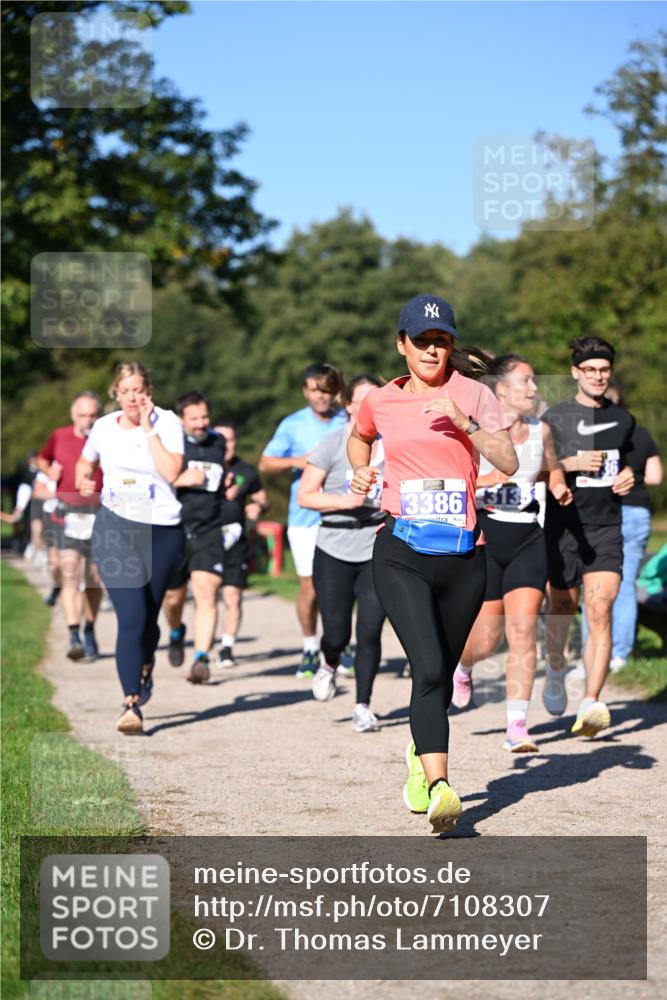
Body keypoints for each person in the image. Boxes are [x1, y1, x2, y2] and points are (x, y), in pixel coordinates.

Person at [348, 294, 518, 833]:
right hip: (401, 552)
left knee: (440, 674)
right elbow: (359, 438)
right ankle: (442, 788)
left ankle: (419, 757)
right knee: (426, 667)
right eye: (421, 341)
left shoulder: (474, 395)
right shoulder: (379, 400)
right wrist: (362, 472)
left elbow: (509, 462)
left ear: (450, 344)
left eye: (440, 340)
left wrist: (465, 423)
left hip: (466, 553)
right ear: (402, 345)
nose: (431, 350)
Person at [452, 355, 572, 752]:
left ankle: (517, 726)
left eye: (535, 381)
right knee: (486, 640)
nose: (535, 389)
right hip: (485, 536)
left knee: (522, 631)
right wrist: (488, 479)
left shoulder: (542, 431)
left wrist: (556, 484)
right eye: (526, 382)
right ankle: (463, 666)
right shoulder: (478, 431)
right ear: (500, 389)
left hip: (527, 539)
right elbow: (453, 482)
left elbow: (550, 468)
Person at [76, 362, 184, 734]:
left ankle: (145, 663)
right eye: (126, 391)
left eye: (139, 389)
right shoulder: (104, 426)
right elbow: (84, 463)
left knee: (148, 619)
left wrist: (149, 429)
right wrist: (83, 479)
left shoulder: (168, 423)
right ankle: (131, 704)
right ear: (116, 394)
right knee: (132, 615)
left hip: (162, 529)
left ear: (149, 389)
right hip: (116, 526)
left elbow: (172, 473)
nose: (133, 397)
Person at [541, 337, 635, 737]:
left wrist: (628, 477)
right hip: (563, 528)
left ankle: (591, 702)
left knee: (599, 610)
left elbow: (625, 466)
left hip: (606, 529)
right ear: (576, 373)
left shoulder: (623, 420)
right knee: (562, 608)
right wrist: (570, 463)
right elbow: (532, 471)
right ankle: (556, 671)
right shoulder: (554, 419)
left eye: (604, 369)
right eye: (590, 369)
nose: (598, 376)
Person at [297, 374, 386, 731]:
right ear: (348, 405)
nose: (369, 407)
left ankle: (363, 705)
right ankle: (329, 663)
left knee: (370, 630)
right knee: (336, 632)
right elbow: (306, 495)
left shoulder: (393, 445)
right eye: (361, 400)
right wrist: (345, 501)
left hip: (377, 546)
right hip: (334, 546)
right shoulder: (332, 444)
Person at [259, 363, 348, 677]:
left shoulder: (347, 419)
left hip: (344, 513)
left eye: (326, 390)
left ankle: (340, 644)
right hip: (306, 516)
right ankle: (311, 646)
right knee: (310, 588)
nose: (320, 397)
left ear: (335, 391)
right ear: (305, 391)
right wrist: (298, 460)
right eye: (314, 390)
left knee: (342, 587)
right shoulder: (293, 424)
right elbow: (266, 463)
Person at [581, 384, 663, 670]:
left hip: (599, 512)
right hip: (636, 510)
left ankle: (589, 656)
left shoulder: (587, 431)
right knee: (626, 584)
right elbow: (655, 477)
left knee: (592, 587)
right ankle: (619, 655)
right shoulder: (640, 433)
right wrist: (633, 474)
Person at [162, 391, 229, 683]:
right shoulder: (170, 444)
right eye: (194, 419)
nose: (201, 424)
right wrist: (179, 479)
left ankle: (201, 658)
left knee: (207, 593)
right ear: (181, 420)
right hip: (175, 527)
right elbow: (155, 478)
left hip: (209, 529)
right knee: (173, 598)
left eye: (205, 417)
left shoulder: (219, 442)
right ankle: (176, 632)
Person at [38, 392, 104, 660]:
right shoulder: (59, 435)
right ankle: (74, 633)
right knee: (70, 572)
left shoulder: (107, 436)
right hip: (68, 512)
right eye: (83, 415)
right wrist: (48, 471)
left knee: (94, 579)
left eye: (92, 415)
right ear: (73, 415)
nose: (88, 420)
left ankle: (90, 628)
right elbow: (42, 458)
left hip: (100, 512)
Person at [213, 420, 269, 668]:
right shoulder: (199, 467)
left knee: (232, 596)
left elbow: (262, 499)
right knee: (192, 596)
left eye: (230, 441)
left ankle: (226, 646)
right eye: (221, 440)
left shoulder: (246, 471)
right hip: (203, 539)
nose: (226, 446)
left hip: (235, 540)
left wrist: (258, 507)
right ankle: (182, 634)